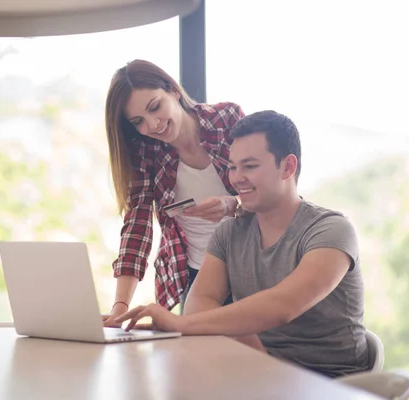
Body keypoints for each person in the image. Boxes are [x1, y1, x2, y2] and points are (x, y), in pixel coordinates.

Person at [115, 110, 370, 378]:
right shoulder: (229, 233)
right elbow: (200, 301)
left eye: (250, 166)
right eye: (233, 167)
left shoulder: (331, 230)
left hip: (332, 383)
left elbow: (283, 305)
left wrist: (179, 324)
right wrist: (257, 353)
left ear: (288, 167)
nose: (236, 178)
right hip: (259, 375)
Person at [102, 59, 245, 327]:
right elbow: (137, 227)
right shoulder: (147, 153)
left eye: (155, 107)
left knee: (254, 362)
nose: (153, 125)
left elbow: (268, 189)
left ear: (173, 90)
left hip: (251, 270)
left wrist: (233, 204)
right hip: (197, 278)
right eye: (138, 122)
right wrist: (119, 307)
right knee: (200, 365)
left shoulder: (227, 119)